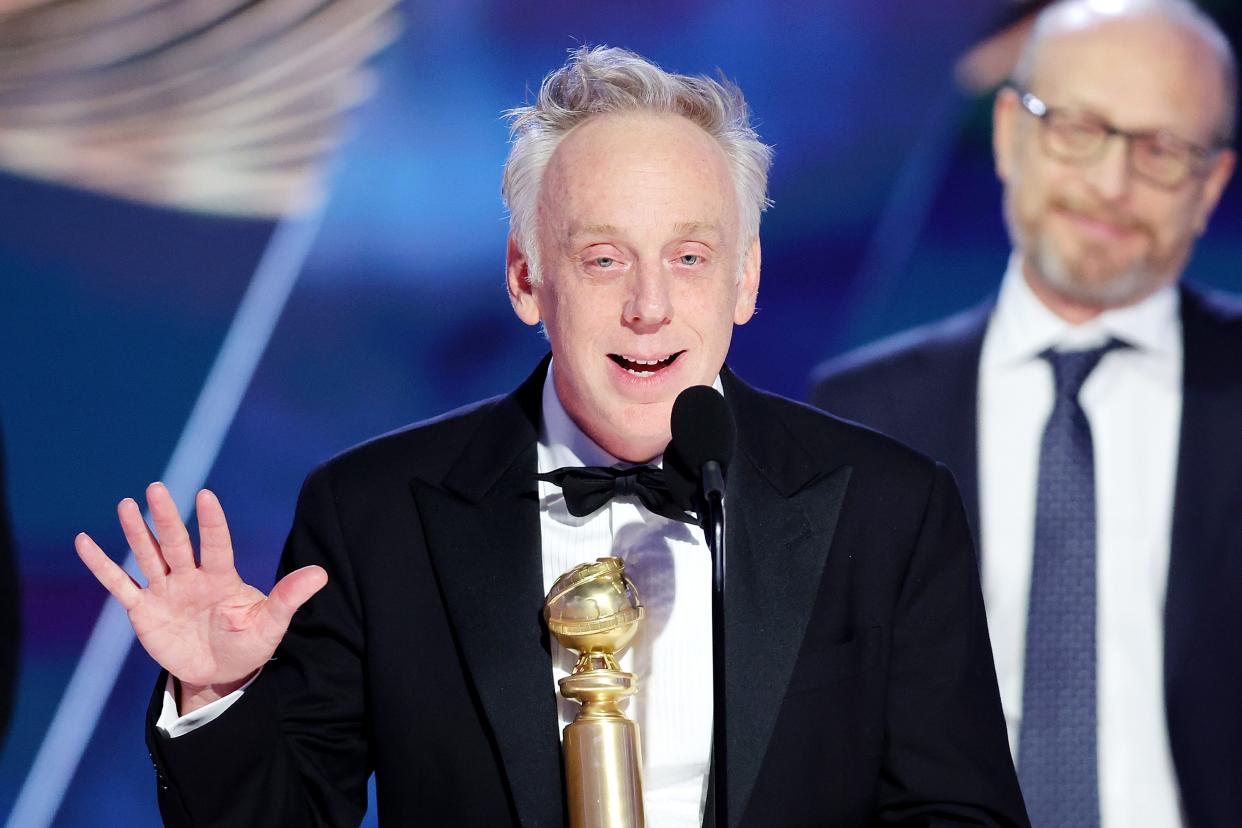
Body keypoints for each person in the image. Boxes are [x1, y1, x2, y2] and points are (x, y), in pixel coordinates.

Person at [77, 46, 1028, 826]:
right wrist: (219, 702)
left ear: (745, 281)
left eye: (689, 258)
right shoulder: (374, 514)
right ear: (527, 279)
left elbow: (960, 816)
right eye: (603, 258)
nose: (650, 306)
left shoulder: (889, 509)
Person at [809, 2, 1241, 827]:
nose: (1111, 186)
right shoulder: (859, 416)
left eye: (1161, 149)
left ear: (1210, 184)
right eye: (1079, 128)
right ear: (1009, 131)